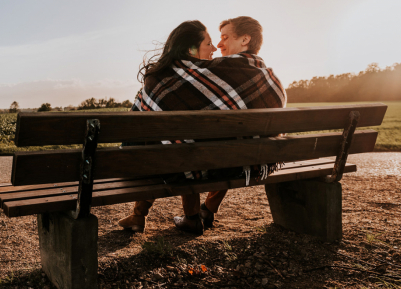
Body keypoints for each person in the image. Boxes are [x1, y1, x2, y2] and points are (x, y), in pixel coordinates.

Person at [117, 16, 286, 235]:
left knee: (180, 143)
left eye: (224, 37)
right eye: (214, 41)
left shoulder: (212, 73)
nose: (218, 45)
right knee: (213, 145)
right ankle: (203, 211)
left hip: (199, 163)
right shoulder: (269, 77)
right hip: (247, 162)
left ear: (245, 39)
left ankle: (169, 216)